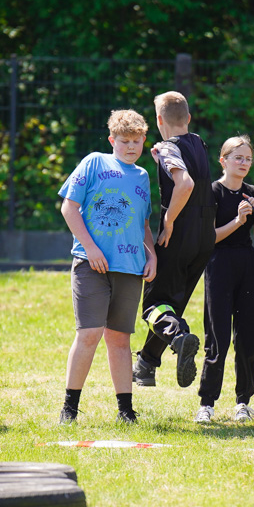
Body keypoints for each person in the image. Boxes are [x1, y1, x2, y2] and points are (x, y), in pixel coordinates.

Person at [57, 109, 155, 424]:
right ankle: (69, 409)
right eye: (125, 141)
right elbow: (69, 208)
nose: (131, 147)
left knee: (120, 338)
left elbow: (144, 222)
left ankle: (125, 411)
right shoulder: (94, 162)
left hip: (130, 267)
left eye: (137, 141)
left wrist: (151, 254)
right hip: (91, 263)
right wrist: (90, 248)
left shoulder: (142, 176)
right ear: (112, 140)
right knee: (89, 333)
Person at [132, 91, 216, 389]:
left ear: (158, 120)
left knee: (153, 305)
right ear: (188, 118)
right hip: (206, 238)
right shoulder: (198, 144)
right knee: (171, 306)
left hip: (178, 236)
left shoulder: (169, 148)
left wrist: (168, 221)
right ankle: (145, 365)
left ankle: (179, 338)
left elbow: (185, 183)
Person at [195, 135, 254, 424]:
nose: (244, 163)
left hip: (248, 264)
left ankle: (243, 402)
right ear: (223, 160)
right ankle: (206, 403)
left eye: (248, 158)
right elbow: (208, 238)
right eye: (238, 157)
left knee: (249, 336)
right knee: (218, 336)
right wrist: (237, 221)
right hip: (219, 264)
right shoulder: (211, 192)